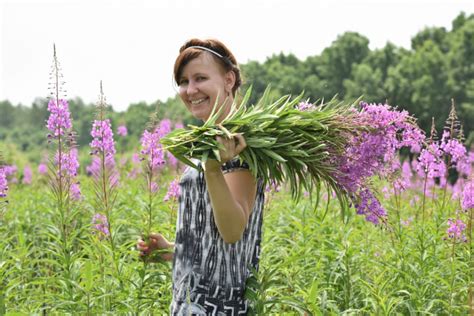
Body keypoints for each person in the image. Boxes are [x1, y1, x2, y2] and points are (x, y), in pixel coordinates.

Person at [137, 38, 265, 315]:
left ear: (228, 79)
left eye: (200, 78)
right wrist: (172, 251)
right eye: (183, 81)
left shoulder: (244, 144)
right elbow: (217, 247)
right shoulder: (207, 144)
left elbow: (232, 232)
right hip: (189, 304)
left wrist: (213, 167)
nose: (190, 89)